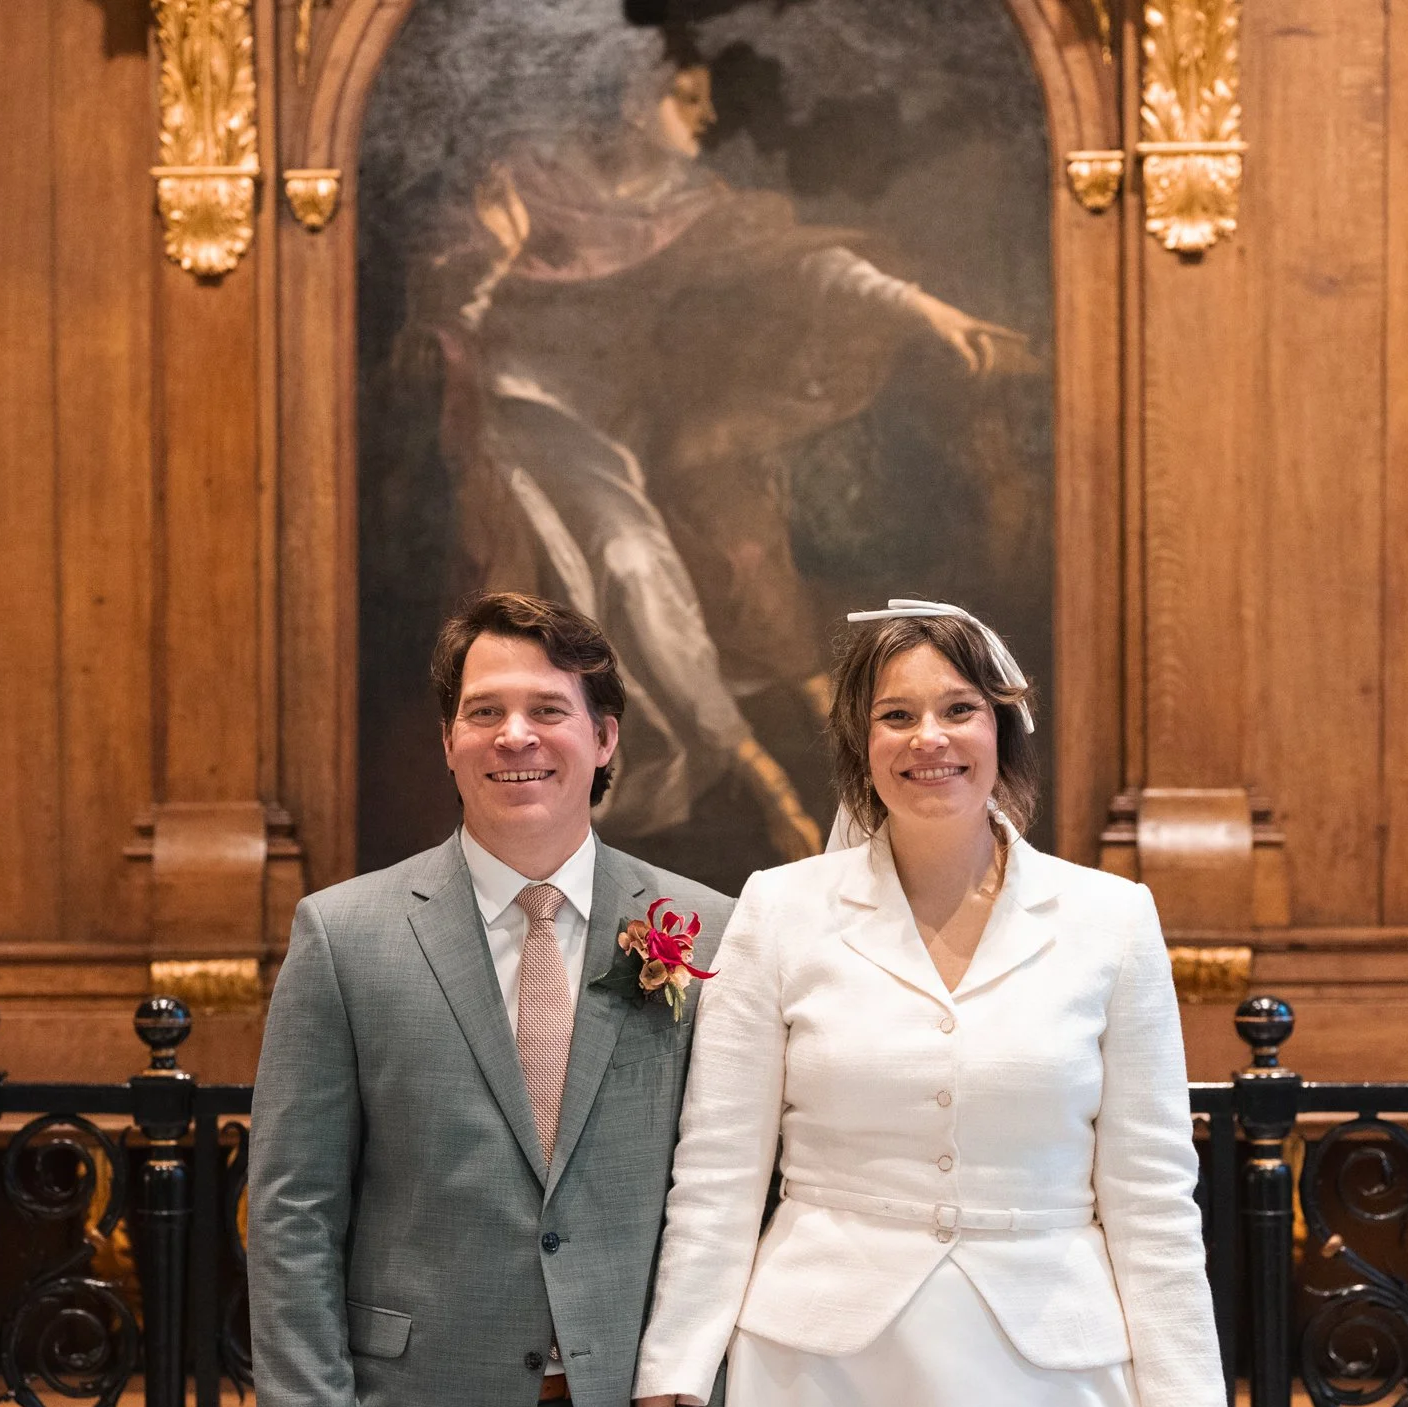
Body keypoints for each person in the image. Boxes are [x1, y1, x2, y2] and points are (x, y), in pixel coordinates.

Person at [632, 599, 1230, 1407]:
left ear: (1003, 729)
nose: (929, 739)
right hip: (824, 1375)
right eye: (895, 714)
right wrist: (674, 1384)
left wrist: (1190, 1398)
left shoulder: (1110, 918)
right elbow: (718, 1173)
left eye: (958, 709)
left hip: (1047, 1369)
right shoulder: (778, 910)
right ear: (860, 746)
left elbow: (1148, 1184)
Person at [249, 591, 732, 1407]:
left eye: (547, 709)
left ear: (604, 736)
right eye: (484, 710)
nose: (515, 735)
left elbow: (734, 1202)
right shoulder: (347, 934)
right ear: (450, 739)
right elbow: (290, 1216)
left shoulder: (708, 935)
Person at [410, 44, 1029, 862]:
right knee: (633, 559)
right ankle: (755, 770)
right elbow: (451, 306)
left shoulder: (692, 204)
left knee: (735, 537)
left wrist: (925, 312)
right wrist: (495, 252)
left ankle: (805, 742)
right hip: (533, 415)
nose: (706, 116)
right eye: (689, 96)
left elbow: (803, 265)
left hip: (632, 426)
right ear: (638, 100)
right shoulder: (531, 187)